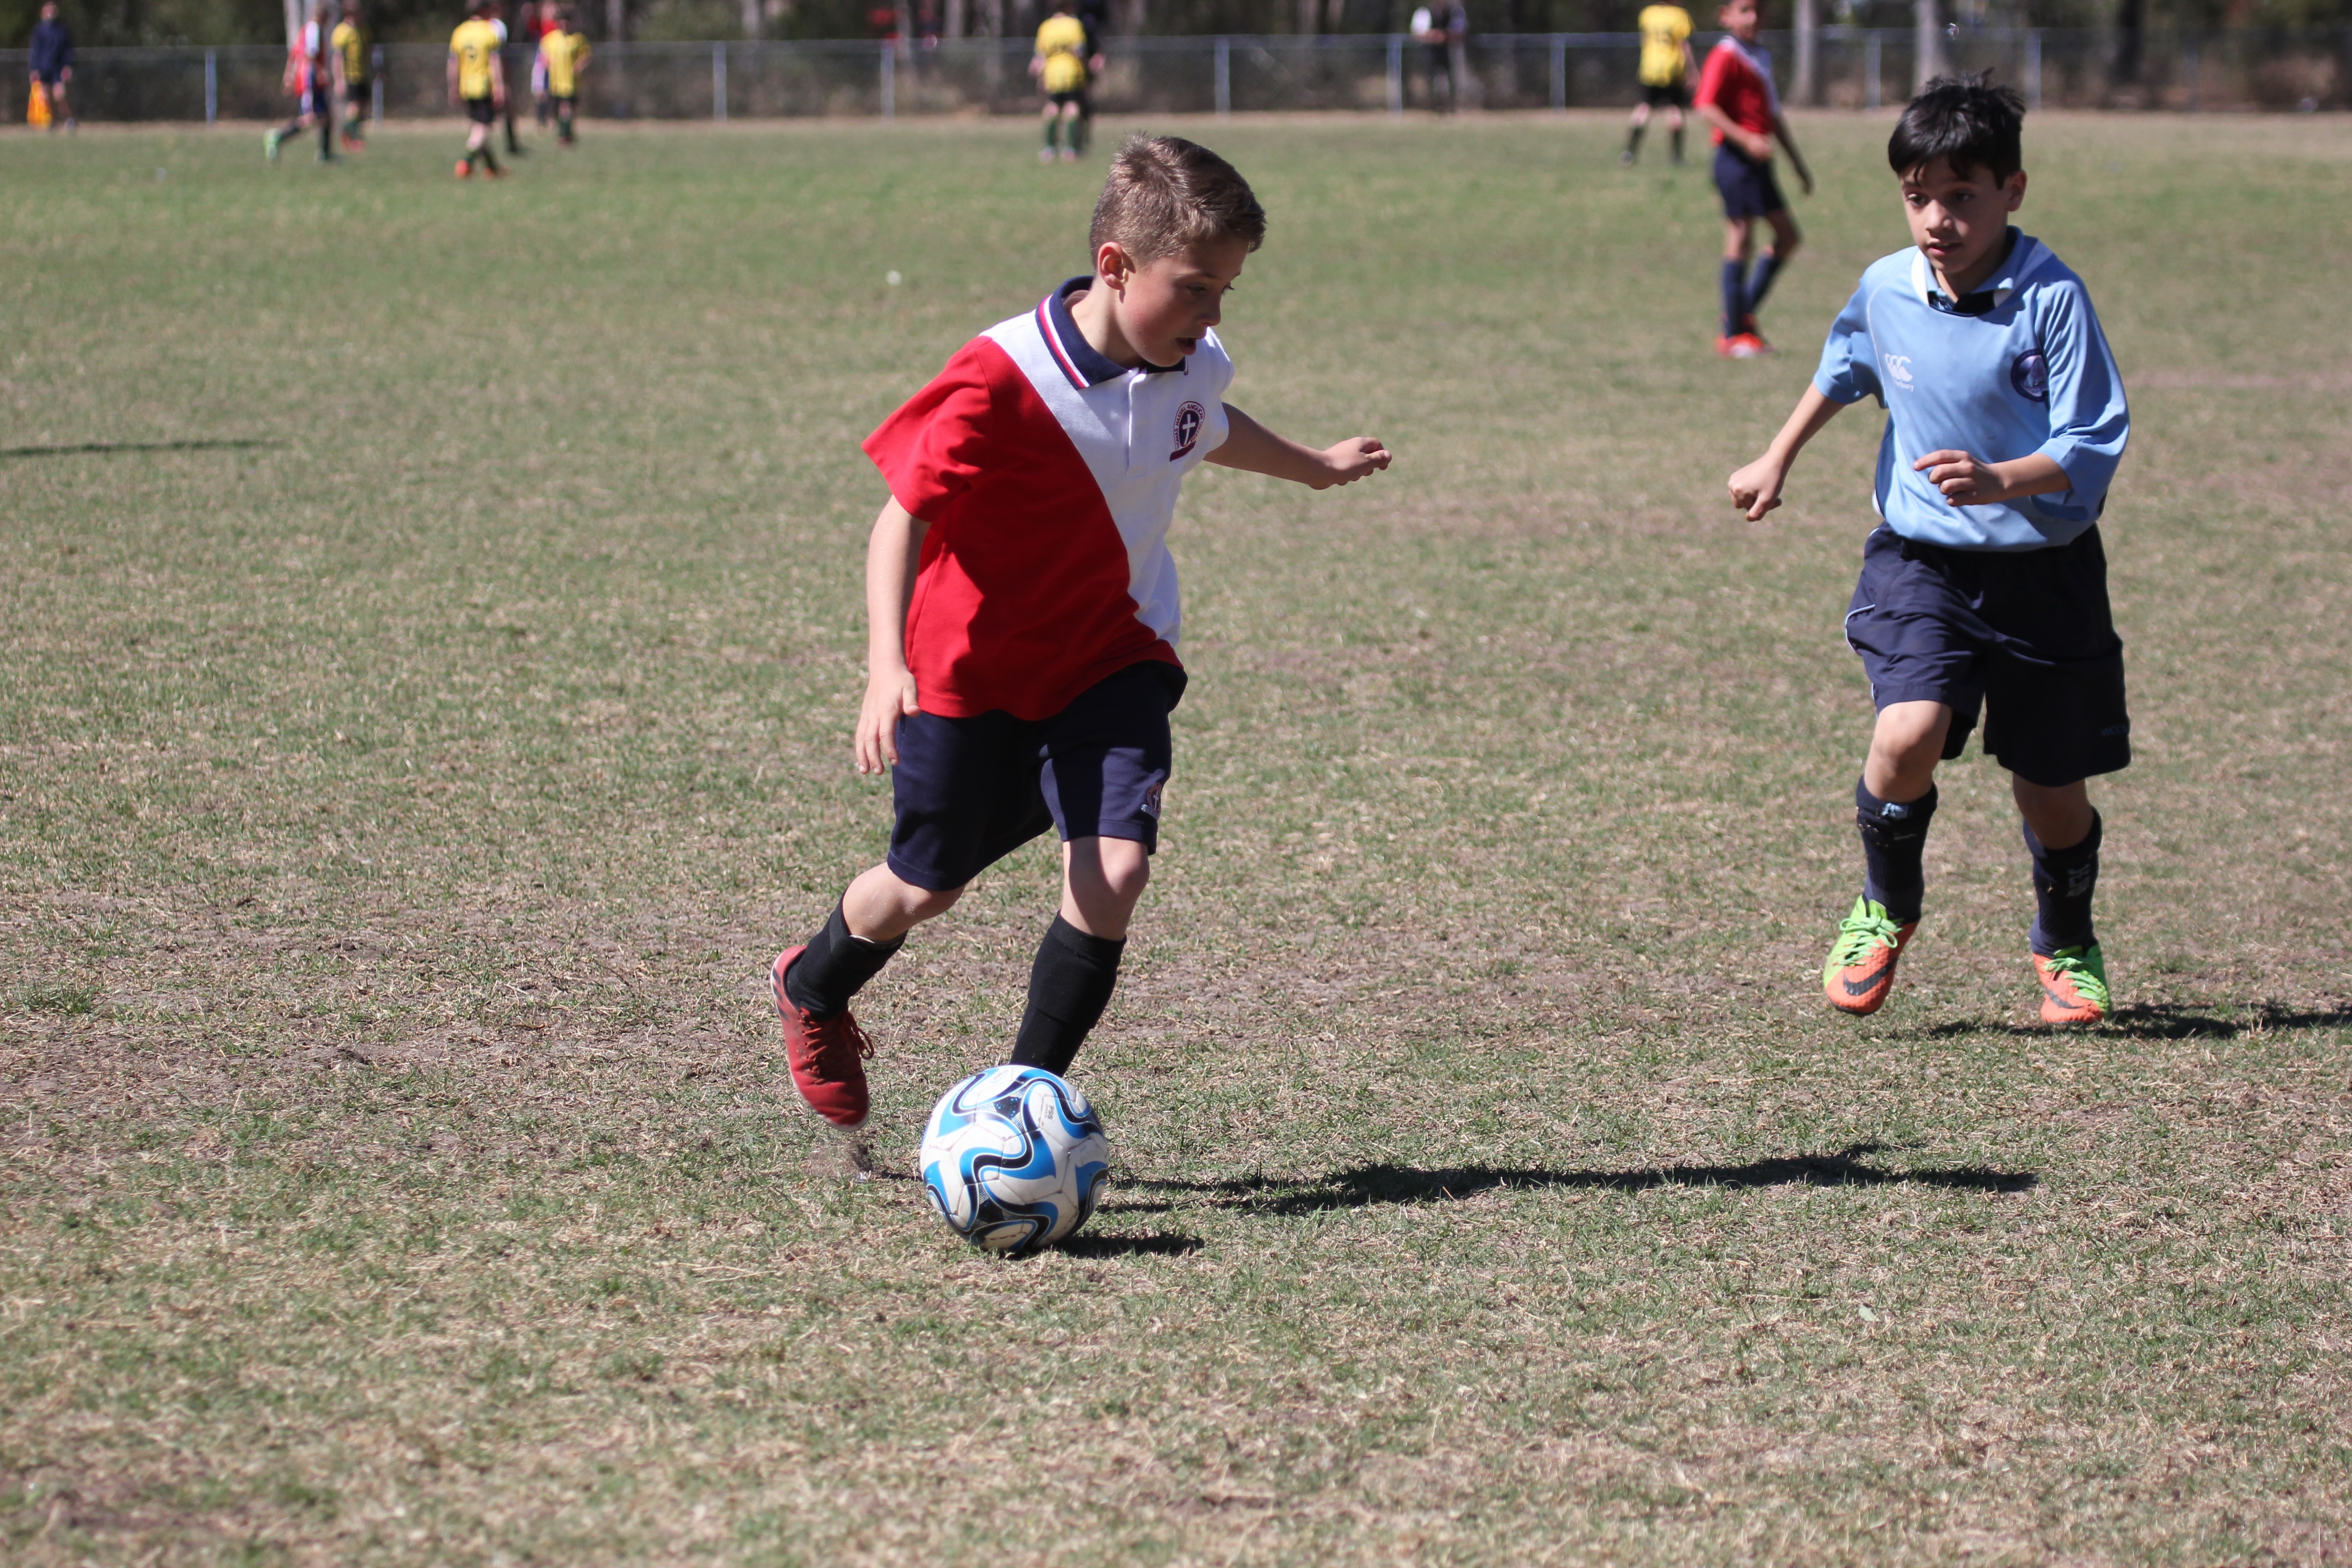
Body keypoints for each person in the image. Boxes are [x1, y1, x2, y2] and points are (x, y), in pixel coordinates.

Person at [769, 135, 1391, 1132]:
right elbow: (902, 516)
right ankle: (813, 985)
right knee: (927, 887)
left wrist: (1314, 465)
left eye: (1229, 290)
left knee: (1115, 872)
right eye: (1197, 288)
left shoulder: (1189, 356)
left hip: (1115, 653)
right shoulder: (999, 381)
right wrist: (886, 668)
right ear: (1116, 267)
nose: (1215, 314)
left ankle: (1018, 1102)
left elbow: (1208, 423)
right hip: (969, 673)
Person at [1726, 74, 2131, 1027]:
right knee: (1905, 736)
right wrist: (1776, 455)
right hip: (1923, 559)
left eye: (1963, 195)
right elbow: (1843, 367)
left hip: (2044, 570)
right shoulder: (1886, 287)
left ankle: (2065, 941)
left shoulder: (2052, 297)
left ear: (2013, 191)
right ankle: (1886, 906)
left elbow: (2094, 436)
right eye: (1919, 197)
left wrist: (2001, 479)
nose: (1938, 219)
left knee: (2051, 794)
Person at [1693, 0, 1812, 357]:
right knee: (1740, 238)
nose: (1753, 18)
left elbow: (1773, 116)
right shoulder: (1726, 54)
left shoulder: (1759, 55)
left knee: (1788, 237)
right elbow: (1706, 106)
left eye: (1758, 11)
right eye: (1744, 10)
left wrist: (1797, 164)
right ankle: (1733, 334)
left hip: (1760, 162)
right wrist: (1745, 139)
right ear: (1725, 15)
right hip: (1734, 159)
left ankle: (1740, 317)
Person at [1623, 2, 1695, 166]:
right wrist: (1692, 71)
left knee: (1644, 108)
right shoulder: (1679, 15)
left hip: (1650, 68)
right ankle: (1676, 157)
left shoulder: (1647, 13)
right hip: (1672, 69)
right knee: (1675, 110)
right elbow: (1684, 45)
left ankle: (1629, 153)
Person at [266, 3, 338, 164]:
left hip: (309, 80)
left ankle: (325, 155)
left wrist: (288, 75)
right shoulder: (314, 29)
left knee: (326, 116)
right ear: (323, 15)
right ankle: (278, 137)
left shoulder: (306, 30)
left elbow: (294, 54)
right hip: (309, 81)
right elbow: (311, 54)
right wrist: (322, 72)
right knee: (311, 118)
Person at [449, 0, 508, 178]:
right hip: (484, 86)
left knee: (478, 128)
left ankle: (492, 168)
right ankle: (466, 162)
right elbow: (494, 62)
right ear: (484, 11)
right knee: (483, 129)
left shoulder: (459, 32)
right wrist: (499, 86)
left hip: (466, 87)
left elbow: (453, 63)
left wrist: (453, 86)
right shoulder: (489, 32)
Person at [1031, 0, 1092, 163]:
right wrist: (1087, 68)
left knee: (1052, 107)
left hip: (1052, 73)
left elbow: (1040, 55)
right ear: (1069, 6)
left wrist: (1041, 75)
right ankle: (1071, 150)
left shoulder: (1046, 26)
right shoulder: (1074, 25)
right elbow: (1080, 51)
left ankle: (1050, 149)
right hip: (1072, 72)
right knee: (1072, 107)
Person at [539, 10, 589, 146]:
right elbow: (543, 55)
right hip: (555, 82)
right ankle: (567, 133)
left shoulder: (578, 39)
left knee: (566, 109)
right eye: (561, 22)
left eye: (567, 22)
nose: (564, 25)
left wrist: (578, 67)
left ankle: (564, 137)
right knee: (557, 112)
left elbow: (586, 55)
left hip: (571, 82)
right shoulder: (550, 39)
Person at [1409, 2, 1466, 113]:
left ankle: (1452, 107)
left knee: (1452, 80)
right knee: (1430, 80)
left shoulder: (1454, 12)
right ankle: (1433, 107)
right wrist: (1433, 36)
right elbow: (1417, 33)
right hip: (1429, 52)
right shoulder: (1424, 12)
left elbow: (1460, 32)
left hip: (1448, 52)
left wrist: (1445, 36)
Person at [27, 2, 74, 133]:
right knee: (47, 97)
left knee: (60, 95)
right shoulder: (39, 30)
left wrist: (67, 67)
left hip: (57, 68)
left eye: (53, 10)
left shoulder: (62, 29)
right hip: (43, 68)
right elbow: (35, 51)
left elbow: (68, 51)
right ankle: (53, 123)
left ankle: (69, 120)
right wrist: (34, 70)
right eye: (48, 10)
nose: (50, 12)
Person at [331, 5, 370, 151]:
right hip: (349, 76)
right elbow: (338, 58)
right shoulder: (342, 31)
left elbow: (367, 51)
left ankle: (347, 133)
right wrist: (339, 80)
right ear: (351, 14)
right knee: (354, 107)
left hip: (362, 74)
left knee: (364, 108)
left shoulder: (363, 30)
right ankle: (354, 138)